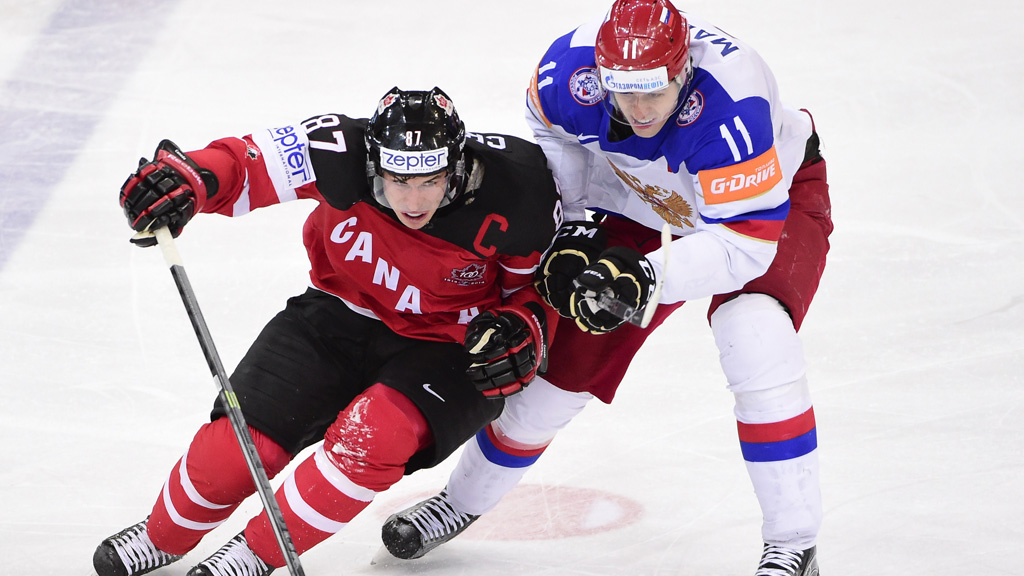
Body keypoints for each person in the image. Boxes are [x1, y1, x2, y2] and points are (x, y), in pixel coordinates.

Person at [380, 2, 831, 575]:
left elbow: (744, 247)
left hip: (764, 205)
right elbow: (551, 131)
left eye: (655, 93)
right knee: (560, 368)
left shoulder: (733, 104)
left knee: (755, 333)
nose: (640, 111)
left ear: (683, 70)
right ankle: (460, 502)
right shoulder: (567, 76)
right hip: (641, 200)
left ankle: (794, 543)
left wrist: (646, 276)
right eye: (625, 93)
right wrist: (573, 223)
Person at [92, 86, 563, 576]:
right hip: (336, 316)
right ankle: (161, 536)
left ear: (457, 166)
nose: (414, 199)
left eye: (431, 180)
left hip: (451, 346)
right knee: (232, 456)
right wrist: (190, 178)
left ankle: (256, 556)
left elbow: (537, 293)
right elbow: (245, 163)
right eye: (398, 179)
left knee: (373, 438)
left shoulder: (520, 192)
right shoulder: (337, 148)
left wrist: (522, 331)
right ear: (375, 161)